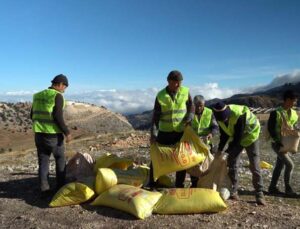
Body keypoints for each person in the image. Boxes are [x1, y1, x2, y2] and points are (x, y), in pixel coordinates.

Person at [212, 101, 266, 205]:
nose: (224, 120)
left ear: (228, 113)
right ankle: (234, 190)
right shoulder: (219, 118)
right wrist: (219, 150)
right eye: (222, 119)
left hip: (251, 135)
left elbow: (237, 138)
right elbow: (224, 135)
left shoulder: (239, 115)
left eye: (225, 118)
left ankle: (259, 193)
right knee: (232, 163)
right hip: (237, 137)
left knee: (254, 165)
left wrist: (226, 152)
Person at [149, 70, 194, 188]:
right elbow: (156, 116)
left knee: (182, 158)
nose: (179, 85)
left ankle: (179, 184)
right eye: (176, 82)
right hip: (165, 132)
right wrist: (153, 134)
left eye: (180, 82)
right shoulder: (160, 95)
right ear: (169, 81)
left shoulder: (185, 91)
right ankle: (153, 182)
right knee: (157, 156)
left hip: (180, 132)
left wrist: (189, 118)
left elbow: (191, 107)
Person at [31, 74, 72, 197]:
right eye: (64, 87)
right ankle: (60, 188)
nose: (64, 90)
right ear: (59, 84)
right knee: (60, 159)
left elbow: (31, 115)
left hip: (39, 133)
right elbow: (57, 117)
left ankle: (44, 189)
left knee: (43, 160)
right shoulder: (57, 96)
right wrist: (67, 132)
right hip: (53, 135)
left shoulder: (37, 95)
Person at [268, 90, 298, 196]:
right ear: (288, 100)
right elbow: (271, 129)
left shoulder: (294, 113)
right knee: (290, 165)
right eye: (294, 101)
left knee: (279, 166)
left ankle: (272, 188)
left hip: (286, 142)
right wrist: (277, 140)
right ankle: (288, 189)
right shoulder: (276, 113)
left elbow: (292, 126)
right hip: (277, 143)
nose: (295, 103)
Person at [190, 95, 218, 187]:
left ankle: (205, 183)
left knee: (207, 166)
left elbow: (215, 127)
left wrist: (211, 134)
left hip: (207, 144)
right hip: (193, 144)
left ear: (204, 104)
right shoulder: (190, 113)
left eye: (200, 105)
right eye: (196, 105)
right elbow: (185, 126)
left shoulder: (209, 112)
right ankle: (194, 184)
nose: (198, 107)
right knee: (194, 166)